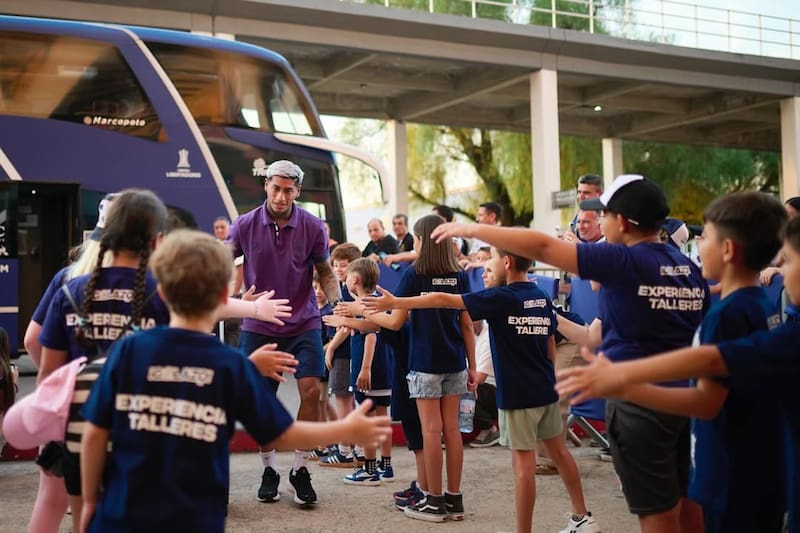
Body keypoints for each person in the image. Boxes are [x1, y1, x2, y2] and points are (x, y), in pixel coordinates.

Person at [429, 174, 709, 533]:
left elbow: (542, 248)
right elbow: (597, 335)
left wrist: (472, 229)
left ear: (622, 222)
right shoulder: (688, 268)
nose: (594, 221)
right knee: (688, 507)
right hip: (686, 404)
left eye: (603, 213)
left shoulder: (623, 260)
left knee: (658, 516)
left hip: (640, 408)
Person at [79, 229, 392, 532]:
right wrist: (345, 429)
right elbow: (281, 434)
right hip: (194, 517)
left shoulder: (128, 351)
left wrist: (90, 500)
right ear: (222, 295)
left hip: (120, 515)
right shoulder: (227, 365)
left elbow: (93, 434)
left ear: (161, 292)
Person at [36, 190, 291, 533]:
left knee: (79, 516)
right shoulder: (160, 291)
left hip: (80, 425)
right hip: (142, 430)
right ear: (157, 242)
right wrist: (252, 323)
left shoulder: (69, 287)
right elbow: (195, 334)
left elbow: (45, 370)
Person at [558, 192, 788, 532]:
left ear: (728, 250)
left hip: (732, 475)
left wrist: (626, 383)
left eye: (704, 236)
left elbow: (708, 397)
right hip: (752, 469)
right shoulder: (762, 308)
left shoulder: (729, 315)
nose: (696, 244)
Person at [364, 245, 600, 533]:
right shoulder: (541, 296)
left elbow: (442, 299)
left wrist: (398, 301)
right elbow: (550, 345)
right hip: (545, 391)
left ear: (508, 262)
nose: (487, 267)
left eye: (493, 261)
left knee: (523, 466)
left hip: (518, 396)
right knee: (561, 454)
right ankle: (582, 515)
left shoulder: (499, 297)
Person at [226, 159, 341, 506]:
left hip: (304, 320)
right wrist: (231, 300)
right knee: (262, 400)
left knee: (310, 390)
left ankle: (299, 469)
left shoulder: (313, 226)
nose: (280, 195)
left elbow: (325, 272)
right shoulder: (244, 225)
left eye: (288, 190)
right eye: (275, 188)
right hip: (260, 323)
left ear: (298, 191)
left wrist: (338, 304)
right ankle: (270, 467)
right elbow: (219, 264)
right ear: (266, 186)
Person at [364, 214, 476, 523]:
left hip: (425, 364)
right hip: (456, 362)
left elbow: (396, 321)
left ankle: (433, 501)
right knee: (452, 431)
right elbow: (467, 324)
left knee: (431, 431)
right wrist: (474, 367)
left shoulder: (414, 275)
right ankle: (454, 500)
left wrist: (370, 311)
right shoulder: (459, 276)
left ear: (423, 240)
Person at [333, 258, 394, 486]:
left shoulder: (361, 305)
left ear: (355, 279)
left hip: (368, 370)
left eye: (347, 275)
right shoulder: (378, 302)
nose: (345, 279)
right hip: (385, 367)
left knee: (367, 420)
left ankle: (369, 469)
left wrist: (365, 367)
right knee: (382, 417)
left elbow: (370, 335)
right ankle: (386, 466)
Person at [318, 243, 362, 466]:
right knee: (351, 403)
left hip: (345, 353)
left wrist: (331, 347)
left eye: (343, 266)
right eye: (335, 265)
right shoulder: (347, 289)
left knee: (344, 402)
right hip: (350, 352)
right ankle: (360, 450)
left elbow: (345, 326)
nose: (338, 270)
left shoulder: (347, 291)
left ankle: (345, 451)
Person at [566, 174, 603, 242]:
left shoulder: (608, 218)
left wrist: (580, 246)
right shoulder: (577, 217)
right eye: (579, 192)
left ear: (600, 195)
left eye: (586, 193)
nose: (581, 196)